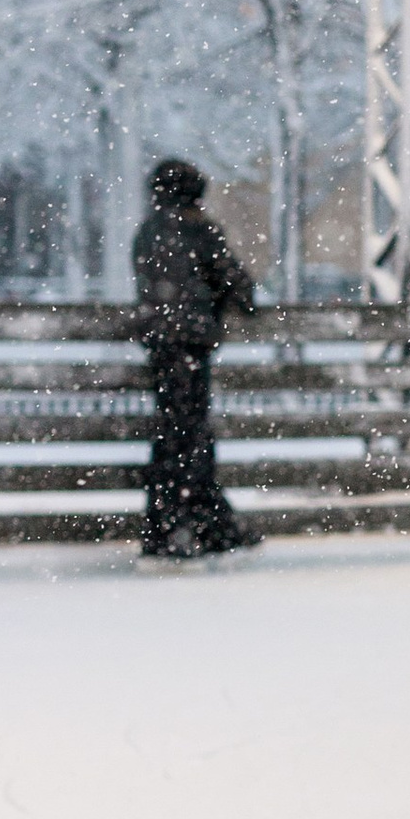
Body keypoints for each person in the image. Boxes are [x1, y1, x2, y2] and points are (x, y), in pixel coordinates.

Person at [130, 158, 258, 564]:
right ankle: (202, 525)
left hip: (161, 346)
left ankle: (170, 525)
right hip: (191, 346)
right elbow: (237, 285)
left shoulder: (148, 232)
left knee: (172, 435)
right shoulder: (199, 230)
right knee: (191, 436)